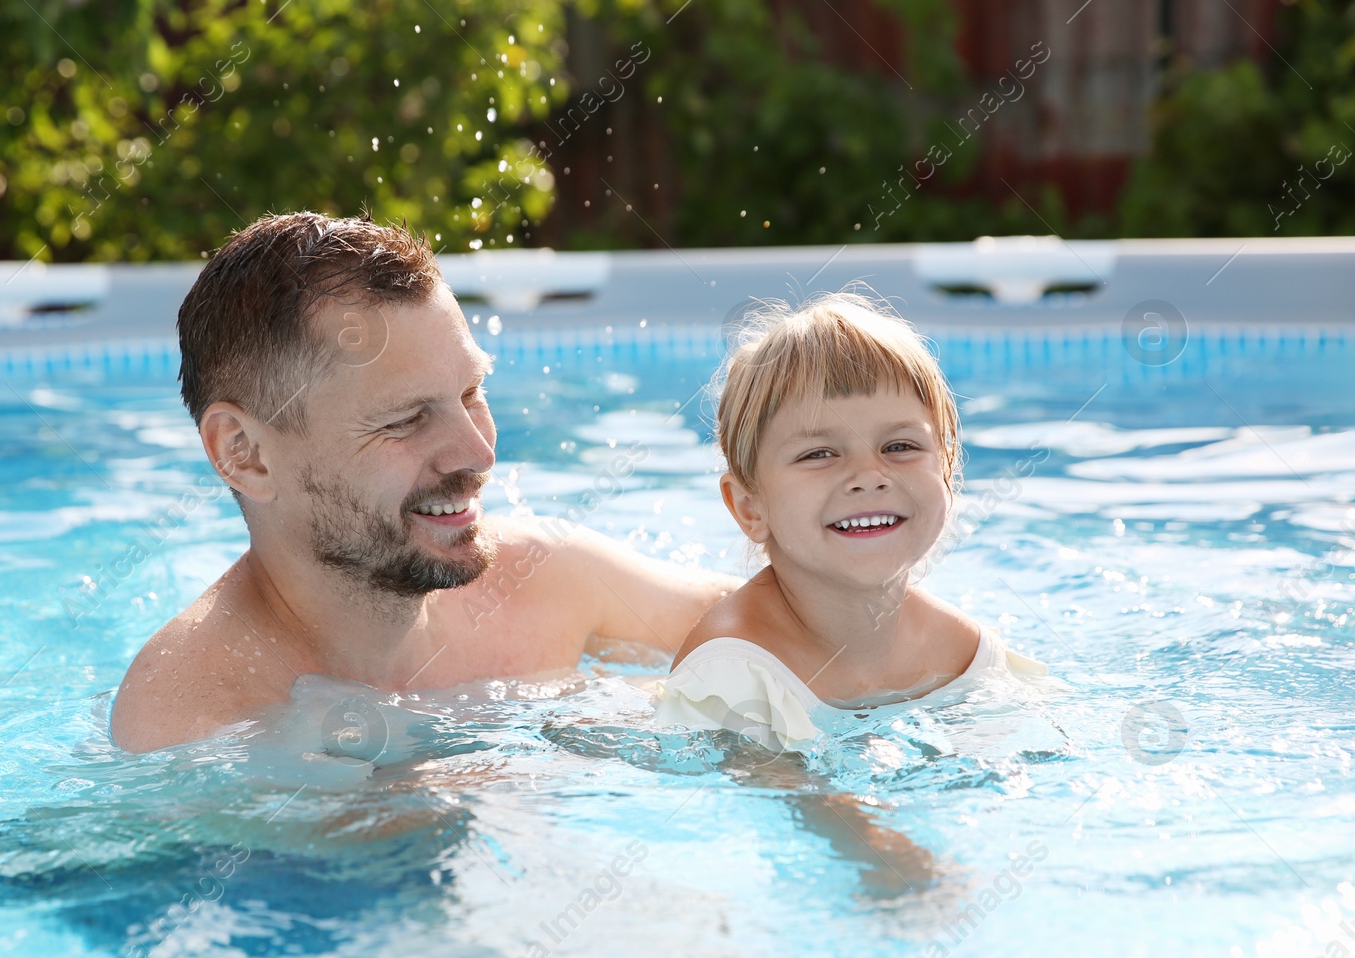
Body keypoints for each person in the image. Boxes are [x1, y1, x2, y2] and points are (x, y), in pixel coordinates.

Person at [112, 212, 736, 753]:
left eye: (471, 393)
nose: (479, 452)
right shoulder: (191, 721)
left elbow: (797, 629)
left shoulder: (546, 578)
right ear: (245, 454)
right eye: (406, 419)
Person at [654, 293, 1045, 755]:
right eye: (819, 454)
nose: (869, 476)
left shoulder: (964, 656)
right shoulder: (731, 671)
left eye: (899, 446)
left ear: (948, 471)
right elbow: (785, 801)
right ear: (749, 508)